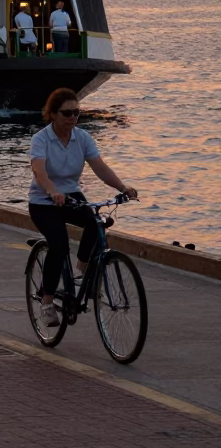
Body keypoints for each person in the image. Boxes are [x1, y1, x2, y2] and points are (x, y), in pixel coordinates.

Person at [29, 87, 137, 328]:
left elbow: (100, 167)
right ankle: (46, 302)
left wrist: (122, 187)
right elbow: (39, 170)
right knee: (59, 244)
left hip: (71, 196)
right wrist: (52, 191)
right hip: (43, 201)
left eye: (76, 112)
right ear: (53, 114)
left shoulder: (82, 137)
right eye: (67, 113)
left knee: (96, 222)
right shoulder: (41, 139)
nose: (72, 118)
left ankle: (80, 270)